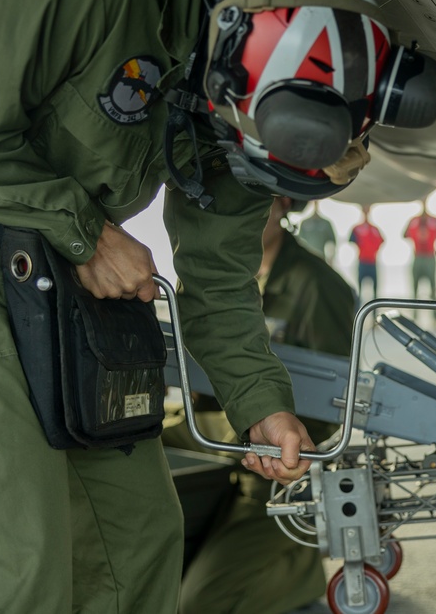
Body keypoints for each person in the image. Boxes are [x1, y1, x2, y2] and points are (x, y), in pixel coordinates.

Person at [0, 0, 436, 611]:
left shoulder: (245, 103)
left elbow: (219, 274)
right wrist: (91, 234)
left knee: (136, 544)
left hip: (74, 306)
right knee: (3, 573)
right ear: (233, 65)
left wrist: (262, 406)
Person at [164, 195, 355, 614]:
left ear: (283, 203)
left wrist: (257, 426)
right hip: (223, 444)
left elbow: (332, 402)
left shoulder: (316, 287)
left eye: (257, 202)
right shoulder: (215, 276)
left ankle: (296, 566)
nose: (241, 215)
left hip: (271, 476)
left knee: (198, 604)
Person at [403, 198, 436, 320]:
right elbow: (404, 234)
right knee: (415, 289)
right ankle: (416, 316)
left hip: (429, 257)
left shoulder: (435, 221)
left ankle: (435, 317)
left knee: (433, 289)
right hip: (418, 256)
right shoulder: (413, 221)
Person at [348, 204, 385, 303]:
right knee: (360, 290)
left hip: (372, 262)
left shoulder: (374, 229)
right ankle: (358, 313)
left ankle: (375, 314)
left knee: (375, 292)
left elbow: (382, 240)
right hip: (362, 262)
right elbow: (350, 239)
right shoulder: (357, 228)